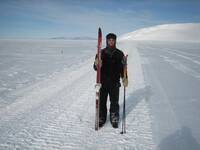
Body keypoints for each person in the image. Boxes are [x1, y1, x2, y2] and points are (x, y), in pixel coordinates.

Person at [93, 33, 128, 128]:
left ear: (115, 41)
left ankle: (114, 116)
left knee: (114, 102)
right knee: (102, 101)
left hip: (115, 82)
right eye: (109, 40)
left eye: (113, 40)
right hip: (103, 82)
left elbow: (122, 69)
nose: (111, 42)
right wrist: (97, 64)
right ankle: (101, 117)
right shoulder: (101, 53)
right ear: (107, 41)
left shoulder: (119, 53)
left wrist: (125, 78)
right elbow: (95, 68)